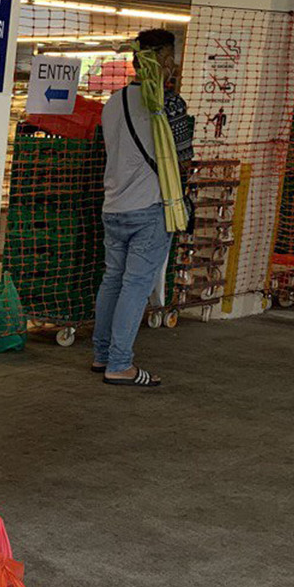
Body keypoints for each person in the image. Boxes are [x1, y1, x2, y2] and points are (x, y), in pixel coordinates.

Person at [93, 28, 181, 388]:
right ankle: (120, 364)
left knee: (112, 280)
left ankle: (101, 355)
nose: (174, 66)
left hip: (113, 206)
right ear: (161, 60)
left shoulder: (111, 104)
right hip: (149, 207)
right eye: (172, 58)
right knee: (135, 285)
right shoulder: (166, 104)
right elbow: (182, 155)